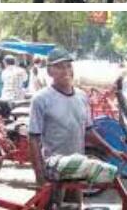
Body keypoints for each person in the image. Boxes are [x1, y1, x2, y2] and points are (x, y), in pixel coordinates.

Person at [28, 48, 91, 187]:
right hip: (53, 171)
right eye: (59, 67)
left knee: (76, 206)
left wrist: (112, 151)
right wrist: (39, 175)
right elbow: (33, 138)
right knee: (51, 208)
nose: (66, 70)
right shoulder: (41, 99)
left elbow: (89, 131)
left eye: (68, 66)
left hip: (77, 169)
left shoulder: (82, 96)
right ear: (50, 71)